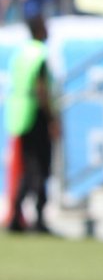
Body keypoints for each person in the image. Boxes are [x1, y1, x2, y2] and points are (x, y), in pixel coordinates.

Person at [5, 13, 56, 233]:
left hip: (18, 114)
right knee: (40, 167)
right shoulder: (40, 54)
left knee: (26, 166)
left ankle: (16, 215)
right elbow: (41, 88)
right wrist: (52, 118)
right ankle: (39, 216)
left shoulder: (20, 53)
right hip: (36, 114)